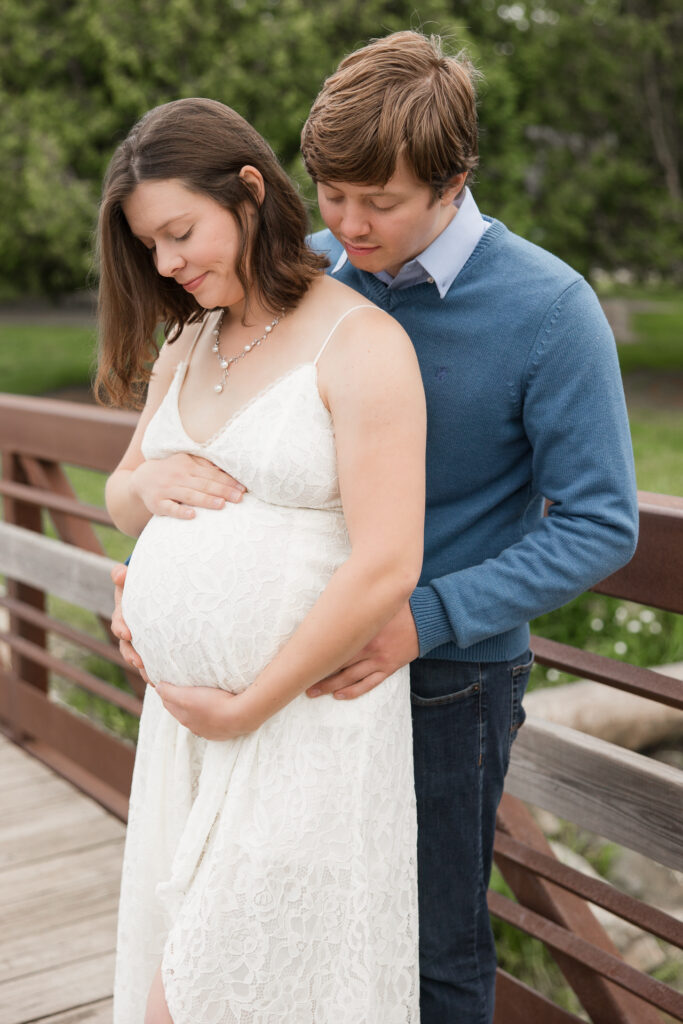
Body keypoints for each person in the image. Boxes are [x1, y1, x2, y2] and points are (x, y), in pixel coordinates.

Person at [111, 31, 639, 1024]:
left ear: (453, 181)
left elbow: (600, 523)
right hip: (288, 677)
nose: (347, 225)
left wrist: (422, 617)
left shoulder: (548, 311)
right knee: (283, 927)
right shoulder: (309, 272)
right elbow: (227, 438)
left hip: (443, 675)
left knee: (430, 937)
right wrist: (147, 569)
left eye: (379, 202)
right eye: (332, 191)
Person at [99, 96, 426, 1023]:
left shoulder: (361, 343)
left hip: (300, 726)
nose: (166, 263)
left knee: (213, 994)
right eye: (149, 246)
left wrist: (246, 705)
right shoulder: (187, 339)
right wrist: (152, 485)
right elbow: (124, 494)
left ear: (247, 192)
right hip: (187, 734)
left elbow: (386, 563)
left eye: (180, 232)